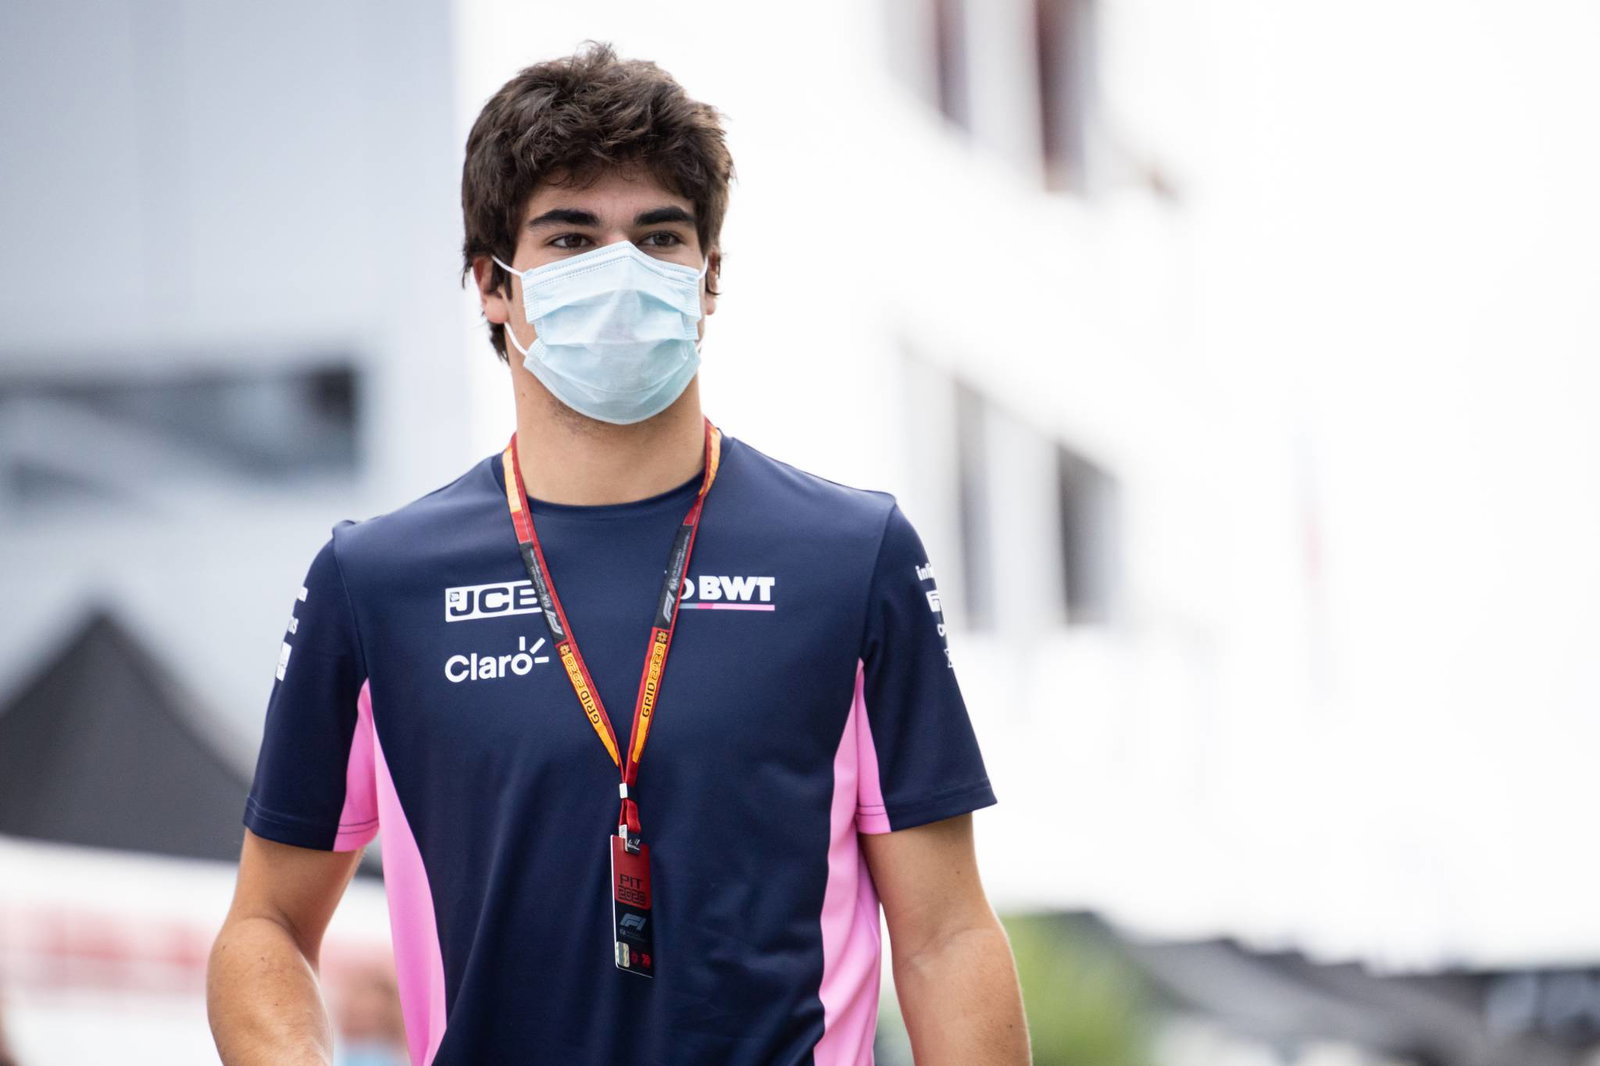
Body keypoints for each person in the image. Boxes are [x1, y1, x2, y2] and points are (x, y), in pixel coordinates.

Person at [206, 41, 1030, 1066]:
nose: (621, 272)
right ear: (490, 284)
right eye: (571, 238)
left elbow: (947, 933)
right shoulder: (375, 584)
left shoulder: (852, 557)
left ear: (709, 277)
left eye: (659, 236)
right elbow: (265, 925)